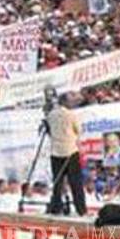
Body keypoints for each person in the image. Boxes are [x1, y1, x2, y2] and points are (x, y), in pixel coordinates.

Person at [44, 87, 87, 216]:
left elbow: (50, 131)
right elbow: (78, 130)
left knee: (57, 182)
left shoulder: (50, 115)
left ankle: (56, 207)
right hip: (70, 151)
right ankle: (81, 209)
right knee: (75, 182)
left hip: (55, 151)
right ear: (66, 103)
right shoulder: (70, 115)